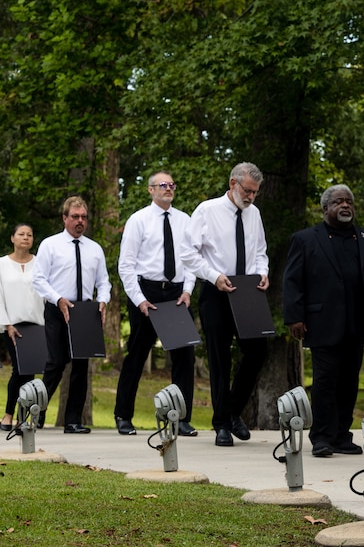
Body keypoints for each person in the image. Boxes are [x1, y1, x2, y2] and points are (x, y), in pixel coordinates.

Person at [283, 184, 364, 457]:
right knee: (325, 382)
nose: (345, 206)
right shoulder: (306, 239)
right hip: (322, 323)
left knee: (349, 382)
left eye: (349, 202)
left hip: (357, 323)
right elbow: (292, 281)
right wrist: (295, 317)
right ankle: (321, 437)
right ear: (325, 208)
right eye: (339, 202)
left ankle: (342, 434)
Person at [180, 162, 269, 448]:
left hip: (247, 291)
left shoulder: (254, 214)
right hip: (216, 290)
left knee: (258, 350)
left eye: (255, 192)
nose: (251, 197)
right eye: (247, 190)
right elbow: (187, 253)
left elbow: (260, 252)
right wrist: (213, 276)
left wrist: (263, 272)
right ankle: (221, 424)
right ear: (233, 184)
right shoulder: (207, 211)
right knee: (219, 358)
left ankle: (231, 411)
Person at [113, 172, 198, 437]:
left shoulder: (185, 220)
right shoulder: (138, 220)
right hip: (146, 292)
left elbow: (192, 258)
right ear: (150, 190)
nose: (169, 188)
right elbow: (125, 265)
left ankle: (181, 419)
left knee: (185, 356)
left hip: (176, 293)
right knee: (137, 355)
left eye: (172, 184)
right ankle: (123, 415)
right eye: (163, 185)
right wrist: (139, 300)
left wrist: (187, 290)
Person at [32, 196, 112, 433]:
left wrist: (103, 301)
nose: (80, 221)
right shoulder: (50, 245)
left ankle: (73, 421)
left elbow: (104, 282)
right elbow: (38, 279)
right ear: (64, 218)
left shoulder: (95, 249)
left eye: (83, 217)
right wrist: (58, 299)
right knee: (55, 363)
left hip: (85, 312)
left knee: (80, 367)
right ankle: (36, 414)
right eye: (75, 216)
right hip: (58, 308)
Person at [0, 224, 45, 431]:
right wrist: (7, 323)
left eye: (29, 234)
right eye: (21, 234)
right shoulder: (2, 264)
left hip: (37, 325)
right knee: (19, 370)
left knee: (31, 374)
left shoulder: (40, 263)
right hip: (12, 325)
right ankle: (9, 414)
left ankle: (23, 418)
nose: (26, 237)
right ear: (12, 238)